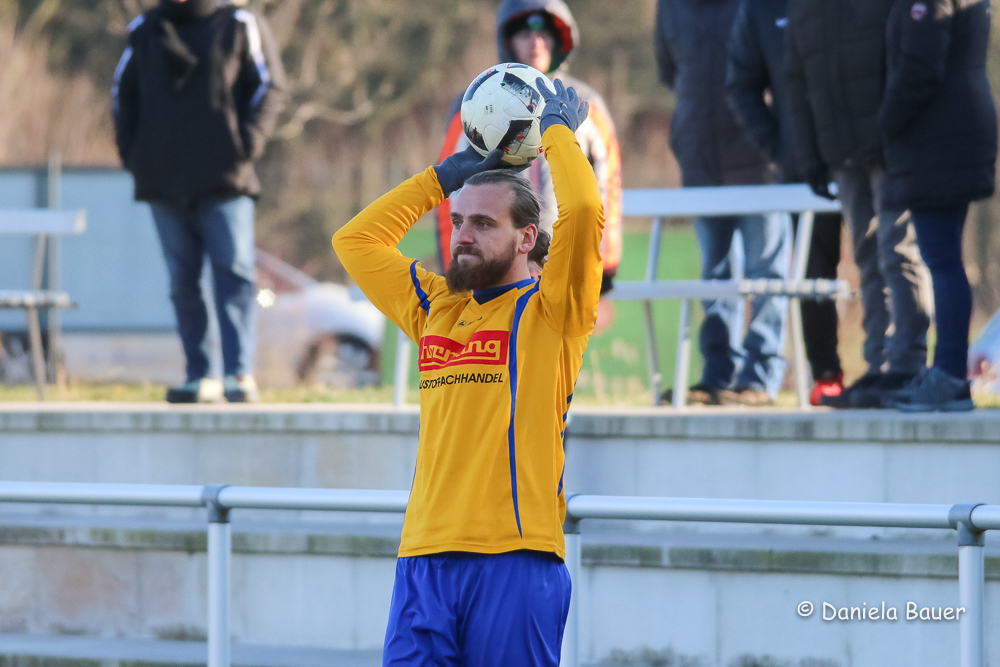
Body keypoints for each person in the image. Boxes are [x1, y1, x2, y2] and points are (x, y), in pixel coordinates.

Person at [334, 79, 598, 666]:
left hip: (516, 559)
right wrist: (442, 178)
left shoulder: (553, 311)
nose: (462, 236)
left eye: (482, 223)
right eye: (457, 222)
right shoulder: (436, 306)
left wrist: (557, 134)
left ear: (527, 238)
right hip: (423, 557)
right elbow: (355, 240)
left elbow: (583, 211)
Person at [112, 0, 286, 403]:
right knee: (182, 281)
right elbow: (122, 93)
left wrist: (245, 145)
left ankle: (238, 375)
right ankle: (199, 375)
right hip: (163, 181)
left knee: (235, 274)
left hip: (225, 178)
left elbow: (271, 85)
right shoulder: (145, 29)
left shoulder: (239, 23)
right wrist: (135, 157)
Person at [785, 0, 932, 408]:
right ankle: (879, 363)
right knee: (867, 256)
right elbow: (795, 82)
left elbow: (912, 60)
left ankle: (908, 364)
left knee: (898, 250)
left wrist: (897, 128)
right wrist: (809, 157)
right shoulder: (804, 9)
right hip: (842, 153)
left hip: (891, 149)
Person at [435, 0, 622, 298]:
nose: (536, 43)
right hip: (496, 262)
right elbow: (448, 187)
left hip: (565, 258)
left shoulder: (583, 102)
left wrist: (605, 262)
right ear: (507, 40)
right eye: (525, 34)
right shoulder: (476, 101)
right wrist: (453, 261)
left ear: (560, 40)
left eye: (545, 35)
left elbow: (606, 184)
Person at [655, 0, 791, 407]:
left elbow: (782, 67)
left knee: (767, 272)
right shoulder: (671, 7)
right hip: (700, 160)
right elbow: (669, 72)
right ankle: (718, 373)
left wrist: (775, 142)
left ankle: (761, 376)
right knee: (714, 273)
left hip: (759, 160)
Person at [725, 0, 846, 406]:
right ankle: (826, 374)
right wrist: (782, 149)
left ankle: (892, 369)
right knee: (814, 272)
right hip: (805, 167)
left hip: (870, 153)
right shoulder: (761, 9)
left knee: (888, 262)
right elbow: (741, 85)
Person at [880, 0, 996, 411]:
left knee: (942, 259)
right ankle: (946, 371)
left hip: (941, 136)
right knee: (943, 258)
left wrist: (884, 124)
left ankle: (949, 374)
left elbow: (921, 67)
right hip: (951, 130)